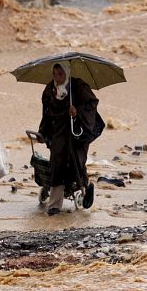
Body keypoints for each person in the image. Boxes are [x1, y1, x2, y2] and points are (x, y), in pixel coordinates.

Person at [38, 62, 100, 215]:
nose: (57, 78)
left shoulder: (79, 87)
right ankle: (54, 205)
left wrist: (77, 111)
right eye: (55, 74)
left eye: (60, 74)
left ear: (67, 73)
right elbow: (46, 113)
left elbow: (91, 104)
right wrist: (43, 132)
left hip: (77, 132)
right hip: (58, 133)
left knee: (77, 161)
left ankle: (85, 188)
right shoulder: (49, 90)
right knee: (57, 163)